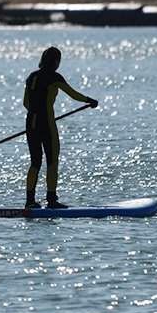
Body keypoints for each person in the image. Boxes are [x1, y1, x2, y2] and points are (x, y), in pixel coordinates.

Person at [23, 47, 98, 209]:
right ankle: (51, 200)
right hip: (46, 124)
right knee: (52, 161)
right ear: (56, 61)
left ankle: (29, 201)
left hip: (30, 122)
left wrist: (35, 114)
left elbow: (26, 103)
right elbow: (73, 94)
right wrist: (90, 100)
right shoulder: (54, 77)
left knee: (35, 162)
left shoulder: (31, 77)